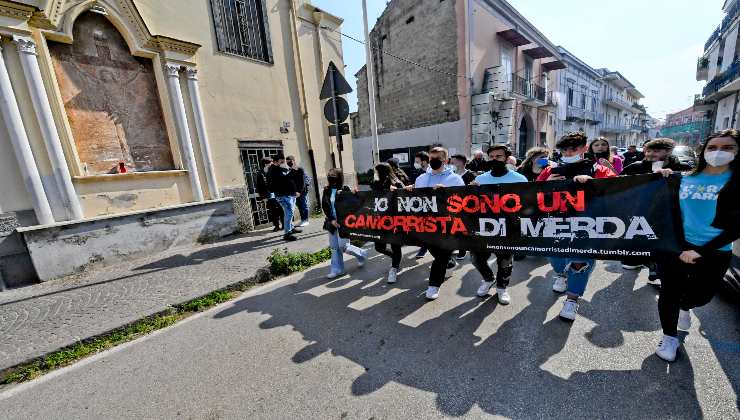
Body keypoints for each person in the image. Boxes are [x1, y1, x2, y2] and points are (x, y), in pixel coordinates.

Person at [653, 129, 738, 362]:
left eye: (727, 147)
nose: (718, 152)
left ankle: (685, 306)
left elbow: (736, 226)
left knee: (702, 296)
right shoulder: (685, 177)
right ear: (704, 151)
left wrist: (700, 251)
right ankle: (669, 337)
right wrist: (662, 177)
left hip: (715, 251)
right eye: (712, 147)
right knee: (669, 291)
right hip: (676, 246)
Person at [537, 132, 617, 321]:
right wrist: (545, 185)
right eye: (564, 149)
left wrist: (593, 184)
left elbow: (616, 188)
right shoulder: (551, 170)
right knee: (554, 256)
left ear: (583, 148)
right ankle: (561, 275)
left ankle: (572, 299)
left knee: (580, 262)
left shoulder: (598, 168)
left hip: (586, 226)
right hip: (555, 224)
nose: (568, 152)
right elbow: (532, 192)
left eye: (573, 148)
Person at [620, 138, 692, 283]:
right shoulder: (635, 167)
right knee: (640, 239)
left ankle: (656, 268)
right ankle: (638, 260)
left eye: (657, 151)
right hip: (640, 211)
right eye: (649, 150)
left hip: (671, 213)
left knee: (662, 241)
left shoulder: (682, 167)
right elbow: (617, 184)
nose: (651, 154)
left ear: (668, 152)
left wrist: (673, 175)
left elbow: (692, 187)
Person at [470, 145, 528, 304]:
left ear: (507, 158)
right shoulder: (480, 180)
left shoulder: (519, 179)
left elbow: (527, 204)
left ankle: (502, 287)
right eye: (492, 157)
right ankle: (488, 279)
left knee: (505, 261)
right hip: (484, 229)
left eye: (499, 157)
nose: (495, 160)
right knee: (476, 258)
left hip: (508, 229)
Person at [412, 147, 465, 300]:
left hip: (448, 226)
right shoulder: (421, 179)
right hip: (427, 225)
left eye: (438, 158)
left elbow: (463, 202)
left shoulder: (455, 179)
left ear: (445, 160)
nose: (434, 160)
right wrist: (409, 191)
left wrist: (447, 192)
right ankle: (450, 262)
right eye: (432, 157)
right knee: (436, 252)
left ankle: (434, 284)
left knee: (441, 255)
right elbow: (416, 200)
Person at [322, 168, 368, 279]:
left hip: (343, 221)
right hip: (331, 221)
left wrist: (354, 194)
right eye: (330, 175)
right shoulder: (326, 190)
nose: (331, 177)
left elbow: (354, 203)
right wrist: (332, 220)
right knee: (334, 247)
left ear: (339, 177)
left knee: (343, 246)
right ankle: (337, 270)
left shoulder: (345, 189)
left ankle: (361, 254)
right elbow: (325, 205)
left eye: (333, 175)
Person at [371, 163, 406, 284]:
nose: (374, 173)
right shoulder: (375, 183)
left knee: (395, 246)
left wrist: (397, 191)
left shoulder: (396, 182)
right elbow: (369, 197)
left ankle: (394, 268)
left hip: (394, 221)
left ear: (381, 172)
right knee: (379, 247)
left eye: (376, 171)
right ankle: (395, 258)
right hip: (379, 221)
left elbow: (405, 197)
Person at [268, 153, 302, 241]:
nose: (283, 161)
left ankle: (291, 227)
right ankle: (287, 233)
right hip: (282, 195)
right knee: (289, 213)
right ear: (276, 160)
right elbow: (284, 179)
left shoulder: (279, 169)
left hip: (288, 194)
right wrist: (292, 171)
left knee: (290, 212)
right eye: (281, 160)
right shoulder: (273, 170)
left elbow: (288, 178)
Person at [450, 154, 476, 260]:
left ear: (460, 162)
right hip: (453, 205)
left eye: (453, 162)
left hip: (465, 206)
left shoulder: (470, 175)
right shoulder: (451, 175)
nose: (451, 164)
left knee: (463, 228)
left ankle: (463, 250)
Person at [256, 156, 284, 232]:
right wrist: (263, 197)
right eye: (270, 163)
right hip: (269, 195)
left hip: (278, 194)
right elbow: (259, 186)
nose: (272, 164)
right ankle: (276, 226)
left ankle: (284, 225)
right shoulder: (260, 173)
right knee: (273, 212)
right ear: (266, 164)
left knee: (281, 210)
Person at [412, 151, 431, 259]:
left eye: (417, 161)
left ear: (424, 161)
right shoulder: (419, 174)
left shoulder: (434, 172)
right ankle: (424, 247)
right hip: (422, 206)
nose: (415, 163)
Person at [286, 155, 311, 227]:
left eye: (290, 162)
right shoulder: (290, 170)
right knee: (299, 205)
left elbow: (302, 182)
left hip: (302, 191)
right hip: (295, 192)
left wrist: (299, 192)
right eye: (287, 162)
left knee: (303, 205)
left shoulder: (300, 169)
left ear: (293, 161)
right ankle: (303, 220)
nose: (288, 163)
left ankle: (306, 220)